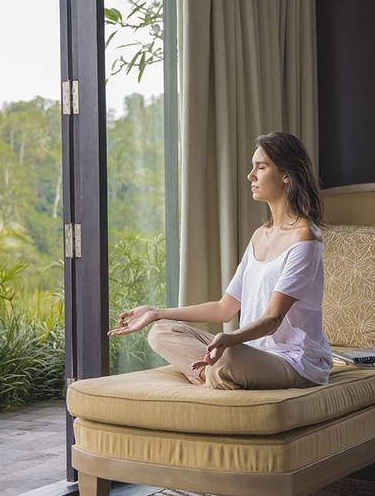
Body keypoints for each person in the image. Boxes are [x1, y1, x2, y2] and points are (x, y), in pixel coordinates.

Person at [108, 131, 332, 390]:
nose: (251, 175)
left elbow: (272, 319)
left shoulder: (305, 237)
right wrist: (156, 312)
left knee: (229, 355)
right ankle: (214, 376)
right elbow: (225, 308)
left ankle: (212, 375)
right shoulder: (260, 235)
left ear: (285, 175)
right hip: (251, 352)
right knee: (161, 332)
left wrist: (231, 338)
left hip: (294, 361)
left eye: (260, 167)